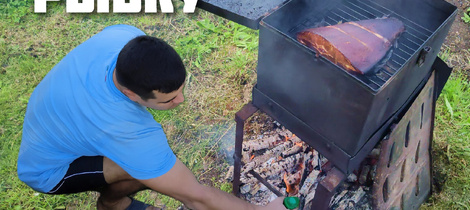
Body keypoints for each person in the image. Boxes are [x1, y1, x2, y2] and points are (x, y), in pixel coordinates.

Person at [17, 24, 286, 210]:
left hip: (58, 121)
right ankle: (112, 205)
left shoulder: (124, 37)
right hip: (49, 168)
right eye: (168, 100)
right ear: (131, 94)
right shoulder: (125, 129)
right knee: (147, 168)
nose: (180, 101)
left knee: (149, 162)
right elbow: (196, 197)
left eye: (181, 89)